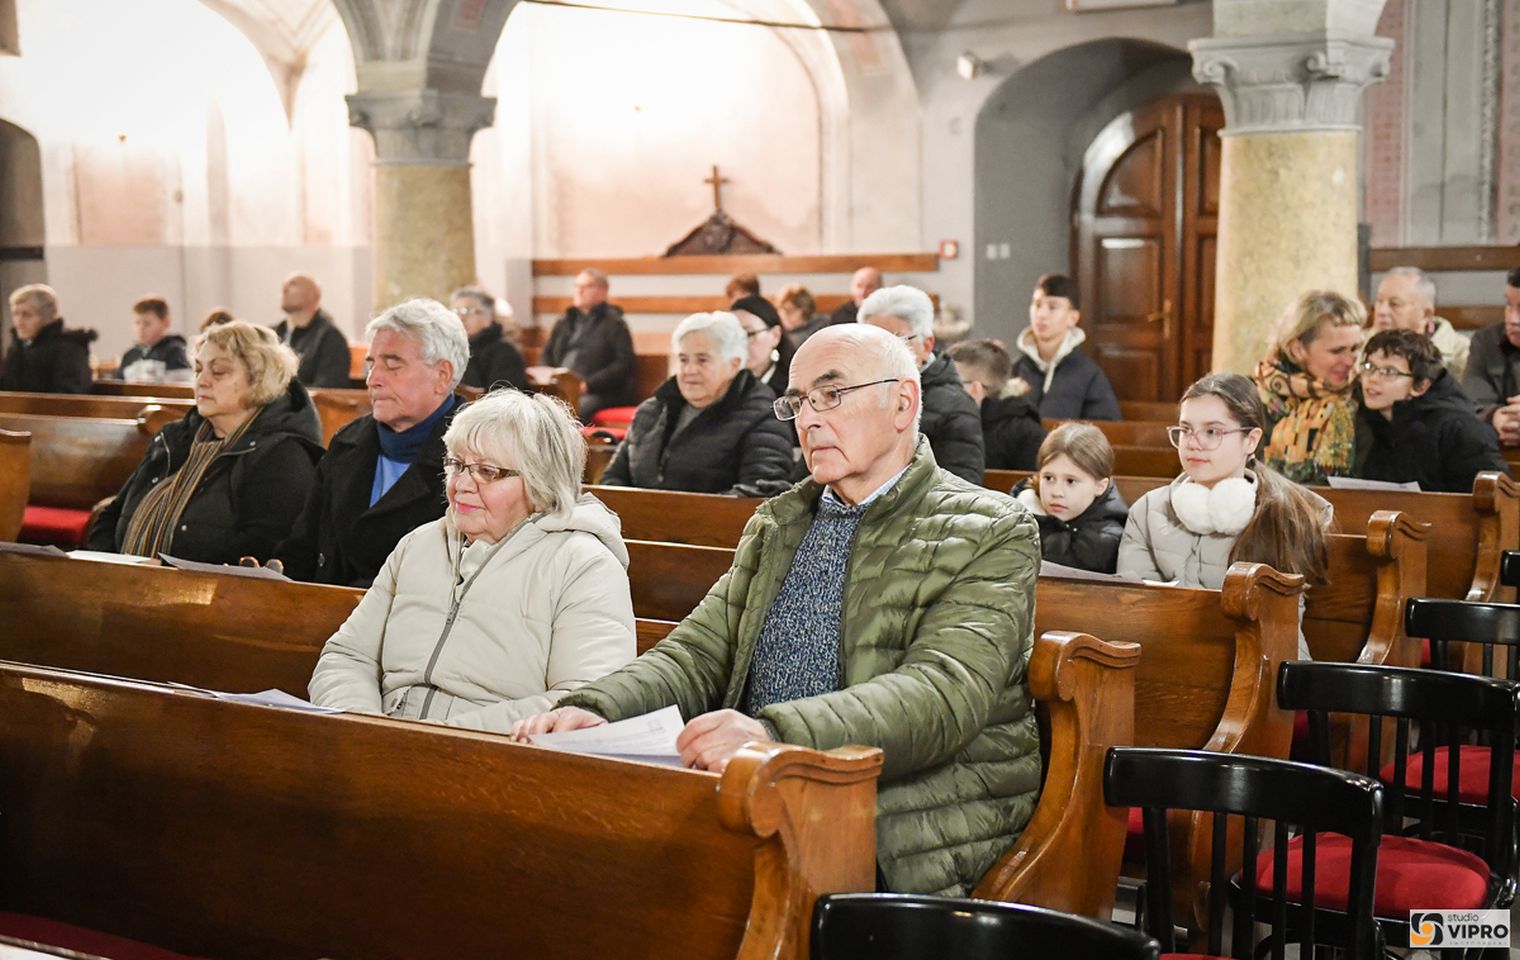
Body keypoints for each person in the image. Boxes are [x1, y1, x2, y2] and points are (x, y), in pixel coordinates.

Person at [513, 324, 1042, 898]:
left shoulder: (991, 529)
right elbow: (699, 651)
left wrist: (773, 733)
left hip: (904, 820)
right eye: (798, 402)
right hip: (760, 790)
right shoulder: (781, 521)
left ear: (903, 403)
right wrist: (597, 708)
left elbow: (942, 694)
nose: (810, 419)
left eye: (832, 395)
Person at [308, 389, 637, 732]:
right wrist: (361, 726)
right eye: (457, 464)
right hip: (381, 747)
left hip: (492, 763)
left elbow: (582, 701)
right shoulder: (420, 545)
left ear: (540, 483)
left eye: (487, 472)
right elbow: (348, 656)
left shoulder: (583, 565)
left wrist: (434, 741)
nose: (461, 484)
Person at [1118, 373, 1330, 657]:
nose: (1193, 443)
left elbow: (1280, 630)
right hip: (1166, 663)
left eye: (1212, 432)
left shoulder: (1286, 513)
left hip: (1261, 667)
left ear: (1250, 440)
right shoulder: (1147, 510)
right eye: (1185, 429)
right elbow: (1132, 612)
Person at [88, 321, 324, 563]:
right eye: (198, 369)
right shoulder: (173, 438)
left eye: (218, 371)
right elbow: (113, 514)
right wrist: (103, 570)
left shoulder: (282, 455)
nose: (202, 381)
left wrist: (167, 571)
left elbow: (264, 548)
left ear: (259, 379)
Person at [274, 299, 470, 587]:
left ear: (442, 376)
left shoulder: (476, 458)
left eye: (392, 366)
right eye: (371, 365)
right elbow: (302, 548)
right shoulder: (347, 444)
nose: (373, 379)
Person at [599, 312, 792, 496]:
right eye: (683, 360)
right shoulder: (652, 410)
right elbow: (612, 479)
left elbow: (761, 493)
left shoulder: (762, 415)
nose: (689, 370)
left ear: (734, 364)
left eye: (702, 360)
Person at [859, 285, 984, 483]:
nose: (881, 354)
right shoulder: (849, 394)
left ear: (927, 345)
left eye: (896, 341)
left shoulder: (955, 407)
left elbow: (960, 492)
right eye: (872, 341)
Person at [1355, 329, 1507, 492]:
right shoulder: (1370, 419)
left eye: (1390, 372)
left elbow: (1496, 498)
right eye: (1369, 367)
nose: (1372, 379)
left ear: (1420, 386)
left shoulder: (1460, 430)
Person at [1254, 290, 1365, 484]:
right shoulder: (1252, 400)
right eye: (1337, 350)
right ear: (1298, 349)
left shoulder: (1366, 395)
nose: (1350, 361)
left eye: (1355, 348)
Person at [1011, 423, 1127, 573]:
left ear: (1100, 486)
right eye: (1049, 478)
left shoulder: (1107, 540)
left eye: (1071, 481)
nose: (1057, 492)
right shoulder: (1019, 510)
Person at [1011, 273, 1121, 420]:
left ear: (1073, 318)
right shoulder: (1016, 369)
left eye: (1052, 307)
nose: (1041, 314)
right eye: (1037, 305)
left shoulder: (1088, 373)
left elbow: (1106, 429)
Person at [538, 268, 636, 420]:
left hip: (598, 392)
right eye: (577, 286)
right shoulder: (564, 322)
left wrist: (588, 385)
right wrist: (548, 378)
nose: (579, 290)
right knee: (535, 408)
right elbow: (547, 353)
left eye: (587, 286)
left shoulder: (615, 324)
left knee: (570, 412)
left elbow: (623, 364)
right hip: (562, 386)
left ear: (603, 291)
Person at [947, 338, 1045, 471]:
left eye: (951, 382)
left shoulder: (1027, 433)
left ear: (976, 389)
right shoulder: (945, 423)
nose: (943, 389)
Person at [1371, 266, 1469, 380]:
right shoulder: (1357, 346)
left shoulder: (1463, 357)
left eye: (1395, 304)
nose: (1382, 311)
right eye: (1379, 301)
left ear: (1426, 314)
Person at [1460, 266, 1520, 445]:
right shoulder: (1487, 342)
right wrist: (1497, 418)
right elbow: (1469, 404)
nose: (1513, 319)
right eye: (1509, 305)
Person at [1, 284, 95, 394]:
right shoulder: (17, 348)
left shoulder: (69, 348)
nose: (19, 322)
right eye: (15, 314)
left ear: (50, 316)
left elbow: (69, 396)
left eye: (27, 315)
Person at [274, 272, 352, 388]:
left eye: (293, 284)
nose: (284, 290)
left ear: (314, 295)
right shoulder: (272, 334)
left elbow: (327, 390)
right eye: (283, 285)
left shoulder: (330, 338)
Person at [451, 285, 528, 393]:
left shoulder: (504, 351)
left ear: (489, 316)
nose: (461, 318)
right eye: (456, 312)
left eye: (468, 311)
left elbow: (505, 398)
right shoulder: (451, 348)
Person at [731, 294, 794, 399]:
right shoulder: (722, 386)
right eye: (733, 335)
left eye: (748, 334)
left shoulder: (793, 387)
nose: (739, 343)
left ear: (775, 335)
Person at [116, 297, 191, 383]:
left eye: (147, 323)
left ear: (165, 323)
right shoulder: (129, 355)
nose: (141, 328)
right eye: (137, 323)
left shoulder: (176, 352)